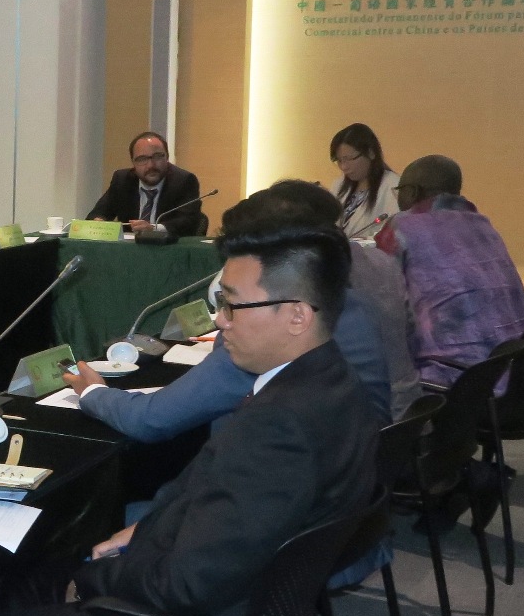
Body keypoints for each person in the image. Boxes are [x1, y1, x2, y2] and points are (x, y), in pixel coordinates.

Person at [0, 224, 380, 616]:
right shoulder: (331, 382)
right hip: (230, 609)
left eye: (232, 305)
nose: (220, 321)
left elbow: (187, 584)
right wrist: (143, 527)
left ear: (296, 315)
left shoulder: (280, 427)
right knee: (18, 587)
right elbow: (211, 492)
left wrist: (94, 581)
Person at [62, 181, 420, 442]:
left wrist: (94, 392)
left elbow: (151, 419)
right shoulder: (353, 300)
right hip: (359, 481)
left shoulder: (268, 338)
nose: (222, 319)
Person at [374, 155, 524, 387]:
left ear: (412, 191)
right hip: (517, 373)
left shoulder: (402, 226)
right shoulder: (483, 224)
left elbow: (378, 297)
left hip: (456, 379)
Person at [87, 132, 208, 236]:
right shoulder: (122, 180)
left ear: (167, 157)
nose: (151, 165)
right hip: (128, 251)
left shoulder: (184, 181)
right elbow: (98, 213)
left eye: (157, 157)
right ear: (133, 162)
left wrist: (154, 229)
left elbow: (189, 222)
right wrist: (99, 221)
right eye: (142, 159)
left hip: (167, 251)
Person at [330, 122, 402, 241]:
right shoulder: (338, 185)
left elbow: (396, 233)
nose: (344, 167)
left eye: (349, 159)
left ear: (371, 153)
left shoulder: (393, 185)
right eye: (339, 160)